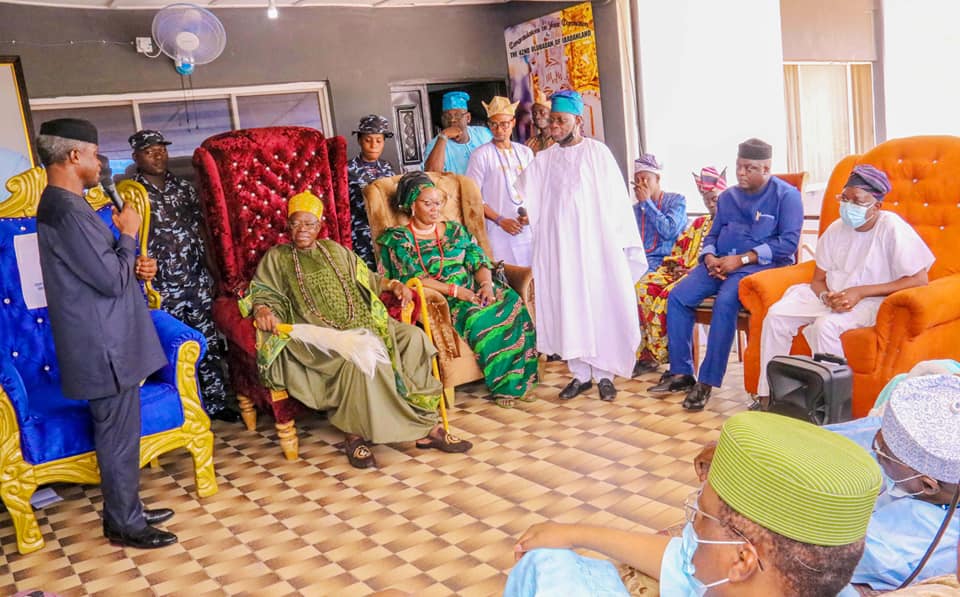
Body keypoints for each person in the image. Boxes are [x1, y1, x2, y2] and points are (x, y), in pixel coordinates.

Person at [505, 411, 882, 597]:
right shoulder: (798, 579)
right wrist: (576, 534)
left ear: (742, 560)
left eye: (699, 518)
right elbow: (679, 564)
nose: (688, 532)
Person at [247, 191, 473, 468]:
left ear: (319, 226)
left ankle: (427, 426)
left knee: (414, 338)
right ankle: (355, 436)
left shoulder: (335, 250)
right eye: (296, 223)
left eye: (309, 224)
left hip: (366, 321)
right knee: (360, 356)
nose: (302, 230)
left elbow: (369, 278)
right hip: (322, 337)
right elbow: (263, 292)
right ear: (288, 226)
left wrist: (393, 285)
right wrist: (263, 310)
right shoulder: (277, 257)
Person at [36, 118, 177, 549]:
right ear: (75, 155)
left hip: (110, 338)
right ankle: (124, 524)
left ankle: (125, 508)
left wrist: (133, 260)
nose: (100, 163)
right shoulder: (65, 210)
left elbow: (108, 270)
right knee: (116, 436)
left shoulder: (72, 206)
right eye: (95, 154)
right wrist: (129, 235)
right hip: (103, 346)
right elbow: (110, 281)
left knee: (122, 433)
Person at [696, 371, 960, 592]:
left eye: (882, 455)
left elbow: (789, 548)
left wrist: (742, 482)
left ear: (927, 485)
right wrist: (742, 450)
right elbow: (835, 438)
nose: (873, 450)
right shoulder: (913, 448)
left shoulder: (909, 545)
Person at [650, 138, 803, 411]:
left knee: (726, 302)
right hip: (719, 263)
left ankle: (706, 382)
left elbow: (788, 244)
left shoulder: (786, 196)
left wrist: (742, 259)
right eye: (738, 166)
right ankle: (682, 372)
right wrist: (709, 256)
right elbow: (713, 233)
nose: (741, 173)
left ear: (766, 168)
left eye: (749, 168)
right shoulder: (729, 197)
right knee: (678, 297)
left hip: (759, 267)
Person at [756, 164, 934, 397]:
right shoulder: (835, 229)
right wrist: (825, 296)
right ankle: (769, 395)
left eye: (857, 202)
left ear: (876, 206)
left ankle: (832, 403)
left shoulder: (891, 227)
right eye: (845, 199)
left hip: (873, 301)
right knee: (776, 317)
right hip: (831, 296)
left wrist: (860, 292)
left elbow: (920, 279)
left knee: (825, 327)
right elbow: (818, 280)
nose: (848, 207)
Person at [515, 90, 646, 402]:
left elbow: (616, 202)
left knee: (599, 305)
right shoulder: (545, 159)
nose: (554, 127)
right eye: (552, 121)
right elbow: (526, 194)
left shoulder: (597, 154)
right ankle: (580, 375)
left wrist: (618, 244)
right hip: (561, 251)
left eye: (561, 121)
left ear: (578, 121)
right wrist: (525, 211)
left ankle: (604, 375)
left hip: (594, 248)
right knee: (569, 306)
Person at [377, 172, 538, 408]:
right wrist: (456, 292)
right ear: (412, 205)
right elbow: (412, 278)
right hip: (444, 299)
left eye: (438, 203)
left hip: (474, 287)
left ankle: (524, 379)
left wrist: (486, 285)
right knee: (480, 317)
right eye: (427, 203)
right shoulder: (399, 239)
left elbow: (479, 261)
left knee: (511, 301)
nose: (435, 209)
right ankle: (506, 387)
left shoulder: (454, 230)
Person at [128, 129, 238, 423]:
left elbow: (202, 233)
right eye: (150, 151)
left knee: (208, 343)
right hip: (161, 288)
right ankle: (180, 409)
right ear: (136, 156)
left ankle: (215, 403)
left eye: (161, 149)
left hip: (196, 280)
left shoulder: (184, 188)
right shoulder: (131, 195)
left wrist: (215, 274)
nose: (158, 155)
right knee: (171, 349)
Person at [633, 166, 724, 377]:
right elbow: (681, 246)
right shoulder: (700, 222)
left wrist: (692, 270)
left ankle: (676, 361)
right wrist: (676, 265)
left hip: (706, 276)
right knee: (643, 287)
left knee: (669, 295)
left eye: (716, 198)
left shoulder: (730, 224)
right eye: (707, 198)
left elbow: (723, 257)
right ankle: (649, 356)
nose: (711, 202)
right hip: (678, 269)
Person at [465, 96, 535, 267]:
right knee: (507, 277)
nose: (499, 129)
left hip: (528, 229)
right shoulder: (481, 155)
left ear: (513, 122)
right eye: (494, 125)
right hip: (498, 231)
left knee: (534, 278)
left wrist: (531, 215)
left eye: (504, 124)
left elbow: (535, 190)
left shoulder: (525, 152)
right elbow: (472, 196)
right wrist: (500, 220)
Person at [348, 115, 396, 269]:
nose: (373, 145)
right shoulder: (346, 169)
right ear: (360, 140)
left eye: (378, 141)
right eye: (368, 140)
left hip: (386, 234)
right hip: (361, 236)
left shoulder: (387, 167)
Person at [632, 153, 686, 272]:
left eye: (646, 179)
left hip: (667, 263)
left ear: (657, 179)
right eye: (637, 180)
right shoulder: (634, 210)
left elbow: (669, 231)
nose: (641, 184)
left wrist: (646, 203)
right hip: (638, 262)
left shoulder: (676, 201)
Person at [422, 91, 493, 174]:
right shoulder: (435, 144)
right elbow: (432, 175)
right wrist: (444, 136)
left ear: (468, 117)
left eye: (458, 115)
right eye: (447, 116)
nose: (452, 120)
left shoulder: (483, 134)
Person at [524, 89, 554, 154]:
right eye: (534, 113)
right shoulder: (530, 143)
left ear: (551, 114)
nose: (537, 117)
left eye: (542, 112)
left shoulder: (561, 141)